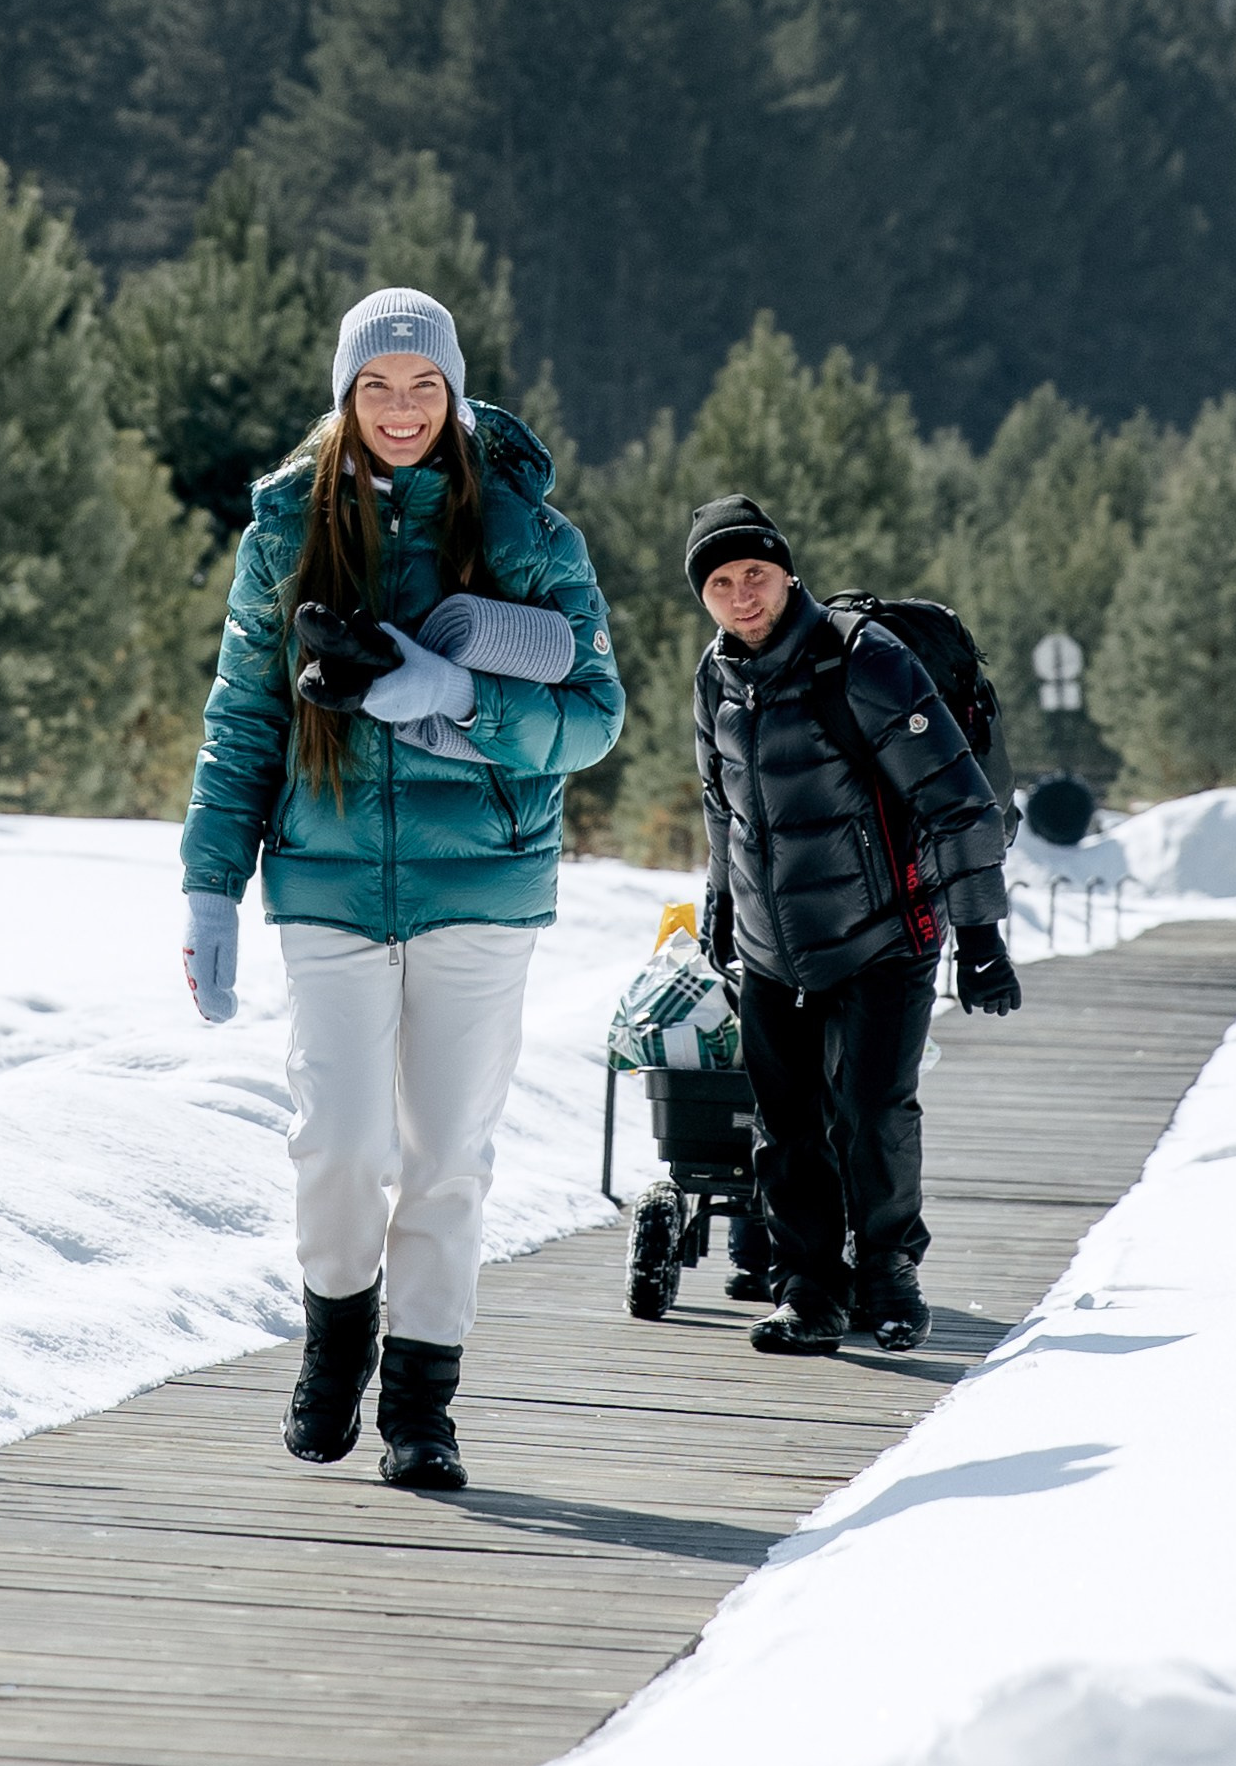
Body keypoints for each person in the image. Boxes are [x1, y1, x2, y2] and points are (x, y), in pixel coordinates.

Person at [178, 288, 625, 1491]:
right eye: (376, 386)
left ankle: (422, 1406)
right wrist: (210, 884)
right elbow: (245, 718)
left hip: (482, 882)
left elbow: (595, 718)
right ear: (345, 396)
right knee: (336, 1142)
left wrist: (450, 691)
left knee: (446, 1156)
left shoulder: (529, 529)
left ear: (454, 389)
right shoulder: (287, 528)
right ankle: (336, 1344)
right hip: (324, 880)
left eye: (422, 384)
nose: (400, 407)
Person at [687, 493, 1017, 1356]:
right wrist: (722, 900)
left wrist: (980, 938)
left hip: (883, 932)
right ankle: (809, 1293)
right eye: (719, 583)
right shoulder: (713, 676)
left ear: (786, 571)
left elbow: (956, 801)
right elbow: (722, 806)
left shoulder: (863, 662)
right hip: (771, 946)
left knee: (871, 1113)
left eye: (753, 573)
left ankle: (887, 1277)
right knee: (786, 1127)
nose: (740, 595)